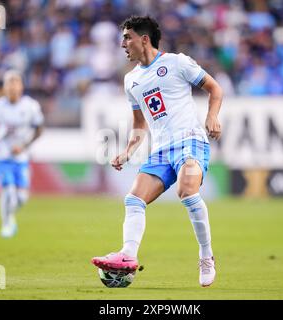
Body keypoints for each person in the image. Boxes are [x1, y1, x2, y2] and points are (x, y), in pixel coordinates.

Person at [92, 16, 223, 287]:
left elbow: (214, 88)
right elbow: (139, 124)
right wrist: (128, 151)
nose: (122, 44)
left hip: (190, 141)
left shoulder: (177, 62)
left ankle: (206, 255)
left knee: (186, 189)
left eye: (127, 37)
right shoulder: (131, 81)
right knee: (133, 199)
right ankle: (128, 255)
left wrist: (212, 116)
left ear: (144, 39)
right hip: (162, 150)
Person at [0, 70, 44, 238]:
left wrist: (24, 146)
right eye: (8, 84)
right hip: (1, 156)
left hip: (21, 158)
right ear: (4, 88)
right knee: (8, 190)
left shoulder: (31, 106)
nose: (12, 88)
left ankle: (10, 217)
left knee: (21, 198)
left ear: (21, 87)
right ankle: (6, 224)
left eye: (15, 83)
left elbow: (39, 130)